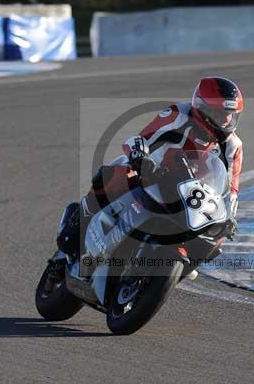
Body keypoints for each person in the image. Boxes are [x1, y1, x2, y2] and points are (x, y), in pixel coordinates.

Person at [57, 76, 244, 259]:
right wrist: (141, 159)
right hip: (152, 176)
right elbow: (139, 140)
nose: (227, 121)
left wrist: (229, 218)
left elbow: (231, 193)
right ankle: (78, 226)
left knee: (216, 241)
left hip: (190, 198)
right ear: (203, 110)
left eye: (231, 115)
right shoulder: (179, 115)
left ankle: (177, 267)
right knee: (116, 175)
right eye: (220, 115)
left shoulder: (233, 146)